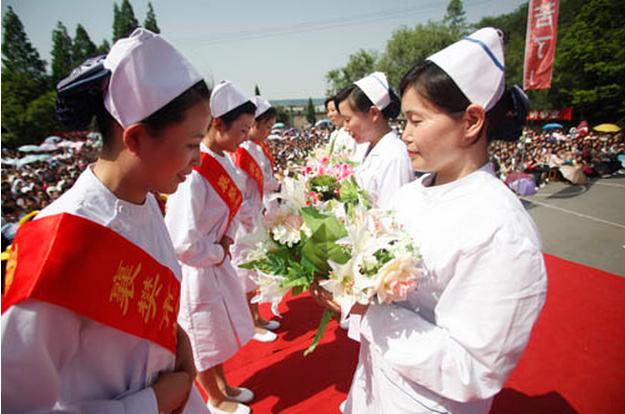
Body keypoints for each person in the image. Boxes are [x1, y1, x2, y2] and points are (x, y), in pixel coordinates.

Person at [331, 28, 548, 414]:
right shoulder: (411, 194)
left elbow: (476, 368)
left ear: (471, 121)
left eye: (416, 121)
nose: (406, 134)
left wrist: (370, 314)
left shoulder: (501, 229)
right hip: (375, 379)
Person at [1, 28, 211, 414]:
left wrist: (176, 340)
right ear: (135, 138)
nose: (199, 161)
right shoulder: (57, 244)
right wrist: (150, 402)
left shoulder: (146, 201)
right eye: (192, 144)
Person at [165, 81, 256, 414]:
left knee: (218, 333)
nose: (246, 135)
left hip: (216, 259)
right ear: (218, 124)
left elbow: (233, 208)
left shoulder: (224, 160)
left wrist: (227, 240)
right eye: (242, 128)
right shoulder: (194, 170)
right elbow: (182, 240)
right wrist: (217, 250)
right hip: (197, 269)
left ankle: (224, 385)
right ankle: (214, 399)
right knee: (202, 337)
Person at [231, 96, 281, 343]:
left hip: (257, 215)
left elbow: (265, 180)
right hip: (245, 221)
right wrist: (249, 219)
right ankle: (249, 323)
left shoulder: (257, 149)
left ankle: (257, 316)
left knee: (256, 271)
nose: (268, 132)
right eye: (267, 127)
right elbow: (238, 191)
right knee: (245, 272)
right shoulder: (241, 151)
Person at [335, 72, 413, 209]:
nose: (345, 128)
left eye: (348, 120)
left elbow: (391, 216)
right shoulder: (368, 148)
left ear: (374, 114)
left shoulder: (394, 157)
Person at [325, 96, 367, 162]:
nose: (330, 114)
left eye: (333, 110)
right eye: (328, 111)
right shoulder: (334, 134)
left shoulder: (351, 133)